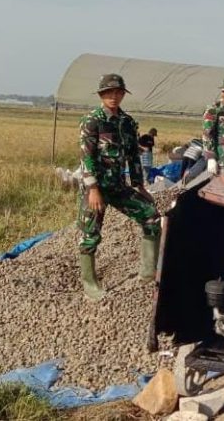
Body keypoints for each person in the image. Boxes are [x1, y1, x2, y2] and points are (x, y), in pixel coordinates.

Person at [77, 73, 160, 300]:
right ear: (102, 95)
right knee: (90, 234)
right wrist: (93, 188)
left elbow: (133, 156)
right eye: (108, 93)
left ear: (123, 94)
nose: (113, 97)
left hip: (118, 186)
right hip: (96, 188)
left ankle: (147, 273)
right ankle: (90, 284)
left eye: (117, 92)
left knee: (152, 216)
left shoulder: (127, 122)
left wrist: (139, 186)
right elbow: (86, 157)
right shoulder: (92, 121)